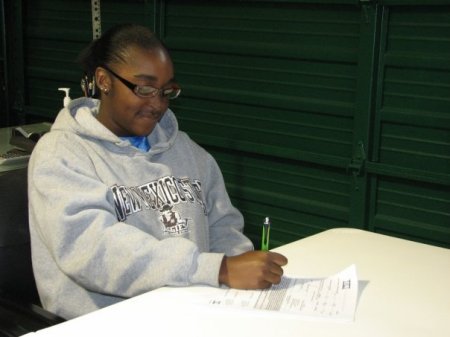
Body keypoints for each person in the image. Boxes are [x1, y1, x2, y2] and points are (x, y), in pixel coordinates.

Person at [28, 24, 288, 320]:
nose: (157, 104)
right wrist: (218, 269)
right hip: (107, 322)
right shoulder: (61, 153)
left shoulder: (185, 150)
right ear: (104, 81)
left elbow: (223, 225)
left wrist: (236, 274)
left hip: (194, 314)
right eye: (145, 89)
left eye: (166, 91)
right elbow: (93, 251)